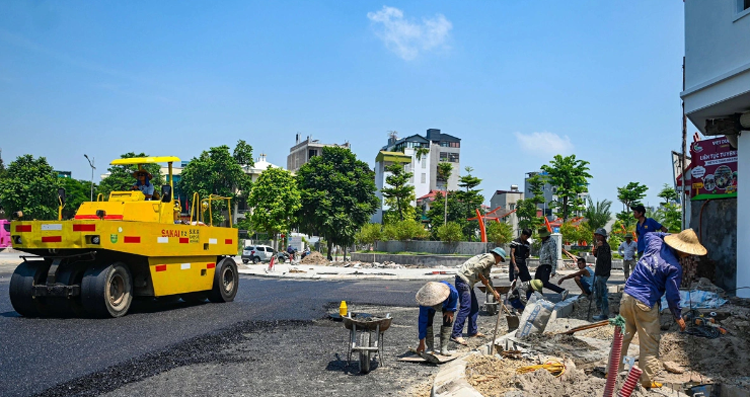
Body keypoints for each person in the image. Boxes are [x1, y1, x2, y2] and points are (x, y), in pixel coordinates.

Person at [619, 229, 706, 389]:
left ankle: (611, 372)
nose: (688, 255)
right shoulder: (674, 267)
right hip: (645, 302)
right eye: (688, 252)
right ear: (682, 250)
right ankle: (647, 380)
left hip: (627, 296)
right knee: (649, 343)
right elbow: (672, 296)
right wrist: (677, 315)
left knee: (621, 339)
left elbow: (649, 234)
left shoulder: (655, 243)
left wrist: (667, 236)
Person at [451, 247, 506, 345]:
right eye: (500, 259)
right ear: (497, 255)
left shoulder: (488, 261)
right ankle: (456, 334)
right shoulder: (490, 257)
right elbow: (477, 267)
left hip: (467, 282)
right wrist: (483, 279)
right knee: (466, 307)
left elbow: (487, 277)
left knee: (474, 307)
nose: (499, 261)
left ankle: (472, 331)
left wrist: (494, 291)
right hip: (464, 280)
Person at [416, 281, 458, 355]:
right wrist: (421, 342)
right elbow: (422, 322)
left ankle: (444, 348)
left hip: (447, 304)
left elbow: (454, 298)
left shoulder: (451, 292)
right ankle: (430, 347)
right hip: (429, 307)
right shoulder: (425, 304)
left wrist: (450, 310)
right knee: (427, 323)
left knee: (448, 319)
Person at [535, 227, 568, 300]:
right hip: (542, 264)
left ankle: (562, 291)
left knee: (544, 282)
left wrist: (553, 269)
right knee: (536, 282)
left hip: (547, 264)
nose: (541, 238)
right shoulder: (543, 242)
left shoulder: (551, 242)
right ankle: (539, 296)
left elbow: (553, 256)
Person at [592, 228, 612, 321]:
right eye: (597, 235)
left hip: (603, 272)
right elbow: (597, 256)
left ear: (603, 237)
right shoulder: (600, 246)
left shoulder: (605, 246)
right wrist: (596, 249)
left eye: (599, 235)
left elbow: (604, 258)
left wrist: (599, 247)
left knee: (602, 293)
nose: (597, 237)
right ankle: (600, 308)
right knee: (598, 289)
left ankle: (604, 313)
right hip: (599, 271)